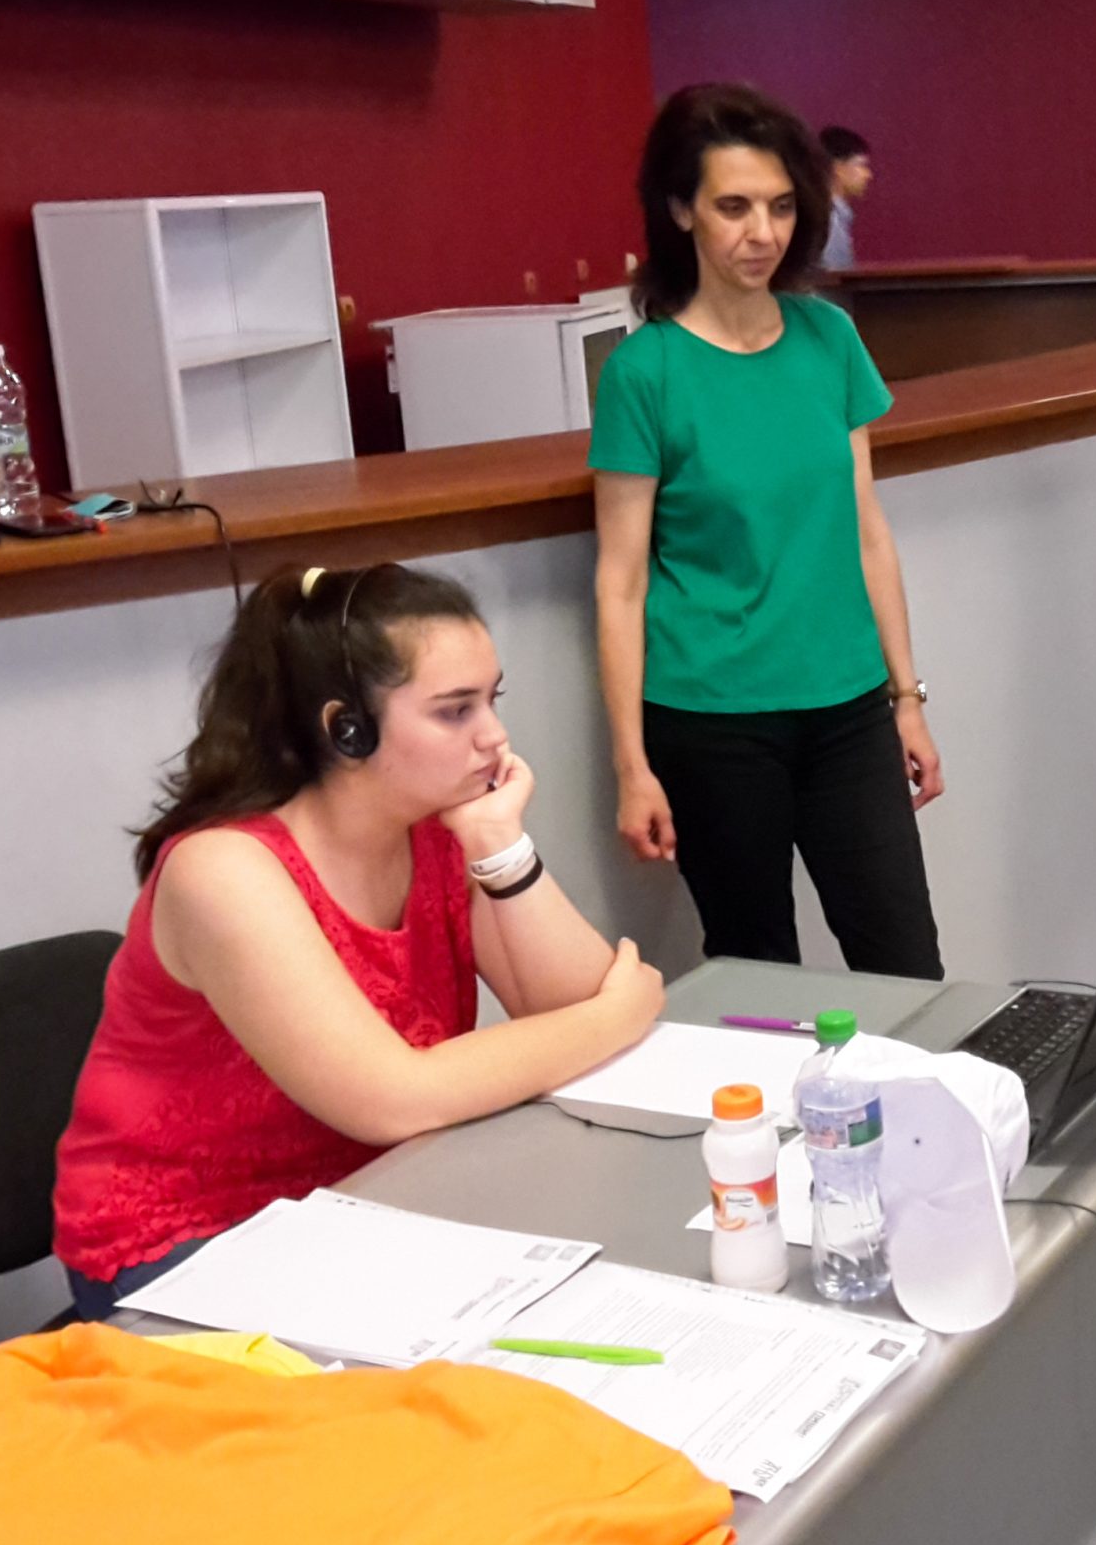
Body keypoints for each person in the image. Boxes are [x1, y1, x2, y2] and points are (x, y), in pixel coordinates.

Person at [52, 563, 667, 1316]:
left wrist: (500, 843)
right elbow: (395, 1098)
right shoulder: (224, 871)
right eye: (455, 711)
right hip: (190, 1243)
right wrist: (618, 1014)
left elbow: (571, 1000)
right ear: (347, 730)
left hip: (365, 1203)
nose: (494, 736)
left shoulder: (439, 831)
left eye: (492, 700)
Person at [590, 84, 945, 979]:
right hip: (711, 724)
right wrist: (632, 765)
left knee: (907, 964)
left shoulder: (830, 339)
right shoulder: (644, 373)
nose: (763, 233)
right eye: (734, 207)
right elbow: (621, 582)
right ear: (681, 210)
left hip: (848, 709)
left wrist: (906, 697)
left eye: (782, 207)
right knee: (757, 978)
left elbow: (867, 530)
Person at [819, 125, 873, 271]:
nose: (868, 175)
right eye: (861, 165)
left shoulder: (828, 215)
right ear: (837, 168)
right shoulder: (828, 220)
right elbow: (837, 276)